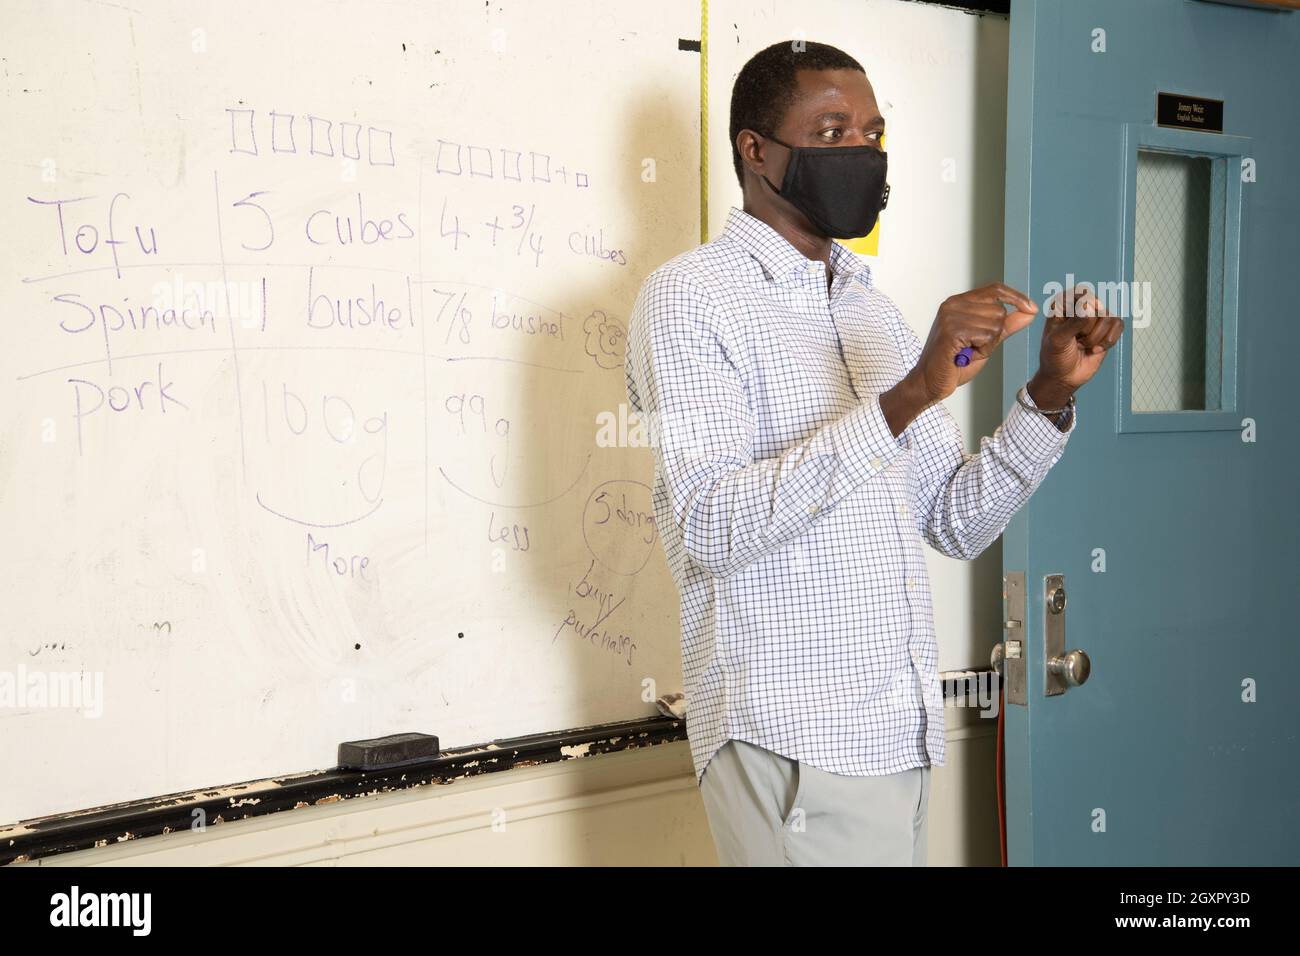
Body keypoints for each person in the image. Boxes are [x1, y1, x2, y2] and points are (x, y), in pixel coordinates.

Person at [623, 39, 1123, 866]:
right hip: (792, 737)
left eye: (873, 133)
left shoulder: (873, 313)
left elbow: (954, 522)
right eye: (832, 132)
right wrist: (910, 394)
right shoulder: (690, 298)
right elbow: (709, 525)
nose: (861, 151)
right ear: (755, 150)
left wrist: (1047, 394)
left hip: (899, 736)